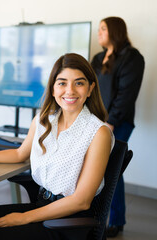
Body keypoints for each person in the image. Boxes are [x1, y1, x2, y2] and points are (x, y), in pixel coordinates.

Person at [0, 53, 114, 240]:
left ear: (90, 89)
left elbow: (81, 201)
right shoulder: (43, 120)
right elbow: (19, 154)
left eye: (79, 83)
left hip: (68, 222)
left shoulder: (99, 133)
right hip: (42, 206)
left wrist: (24, 218)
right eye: (62, 83)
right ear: (52, 88)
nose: (70, 90)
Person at [91, 16, 145, 238]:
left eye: (103, 29)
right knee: (98, 168)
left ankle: (116, 219)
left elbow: (126, 94)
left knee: (112, 170)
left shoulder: (132, 57)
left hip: (118, 122)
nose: (99, 33)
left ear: (115, 31)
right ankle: (95, 217)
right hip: (96, 121)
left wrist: (110, 122)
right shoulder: (98, 57)